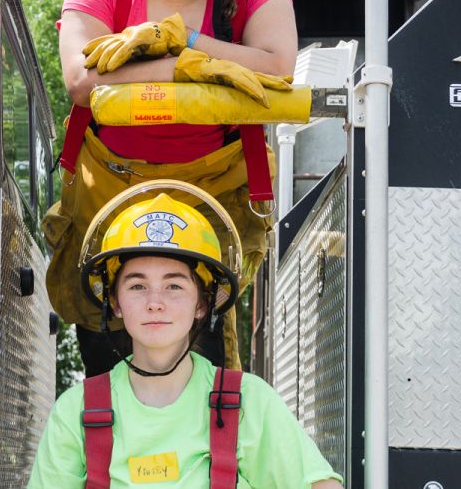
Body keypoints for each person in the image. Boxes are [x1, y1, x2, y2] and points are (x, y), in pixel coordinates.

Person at [45, 0, 298, 376]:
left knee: (203, 368)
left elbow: (278, 67)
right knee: (111, 361)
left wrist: (181, 41)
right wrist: (199, 67)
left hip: (216, 193)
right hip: (109, 189)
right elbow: (82, 81)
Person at [30, 181, 343, 488]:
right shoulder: (76, 413)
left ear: (202, 304)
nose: (155, 303)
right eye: (137, 286)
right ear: (115, 302)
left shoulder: (250, 404)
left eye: (174, 286)